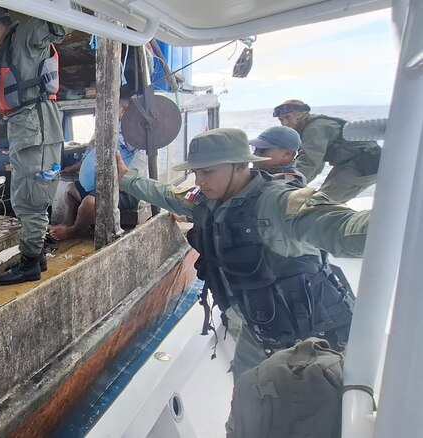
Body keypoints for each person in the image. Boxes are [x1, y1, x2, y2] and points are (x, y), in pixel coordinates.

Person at [115, 128, 371, 381]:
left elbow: (343, 229)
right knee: (244, 414)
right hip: (256, 330)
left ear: (240, 166)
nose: (199, 181)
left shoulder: (279, 202)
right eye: (195, 173)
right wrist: (127, 178)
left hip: (310, 339)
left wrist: (398, 227)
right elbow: (167, 195)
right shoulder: (208, 200)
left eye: (207, 172)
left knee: (307, 415)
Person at [0, 4, 70, 285]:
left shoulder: (26, 34)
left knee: (31, 202)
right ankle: (35, 256)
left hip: (36, 130)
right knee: (24, 197)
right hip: (25, 132)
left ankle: (29, 265)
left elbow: (59, 24)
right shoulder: (9, 48)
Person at [49, 92, 142, 241]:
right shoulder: (108, 131)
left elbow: (135, 174)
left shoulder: (136, 136)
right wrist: (70, 169)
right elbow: (89, 155)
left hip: (123, 189)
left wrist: (110, 187)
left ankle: (73, 231)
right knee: (71, 189)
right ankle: (67, 222)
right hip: (97, 185)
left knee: (90, 203)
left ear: (124, 111)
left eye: (112, 110)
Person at [274, 99, 381, 202]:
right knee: (320, 197)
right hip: (349, 162)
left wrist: (282, 185)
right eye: (281, 119)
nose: (285, 123)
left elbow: (309, 162)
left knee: (321, 202)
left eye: (287, 117)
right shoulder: (308, 127)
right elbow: (316, 166)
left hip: (364, 162)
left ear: (300, 114)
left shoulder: (315, 129)